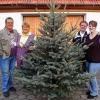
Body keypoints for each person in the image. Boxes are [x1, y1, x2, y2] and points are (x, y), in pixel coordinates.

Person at [0, 17, 18, 97]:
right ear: (5, 23)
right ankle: (5, 89)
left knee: (11, 72)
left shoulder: (16, 32)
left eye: (12, 22)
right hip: (5, 56)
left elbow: (20, 40)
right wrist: (1, 53)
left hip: (13, 56)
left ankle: (10, 86)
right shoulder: (1, 32)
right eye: (9, 22)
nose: (10, 24)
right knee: (5, 73)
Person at [85, 20, 100, 99]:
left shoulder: (99, 36)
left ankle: (94, 93)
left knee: (92, 76)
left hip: (96, 60)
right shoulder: (87, 36)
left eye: (92, 26)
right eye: (90, 26)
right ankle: (91, 90)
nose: (91, 27)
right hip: (88, 59)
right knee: (89, 76)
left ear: (95, 27)